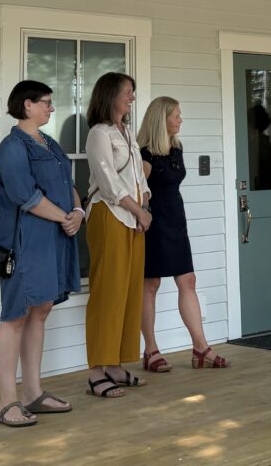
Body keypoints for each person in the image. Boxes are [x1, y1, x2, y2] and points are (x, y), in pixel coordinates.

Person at [0, 80, 82, 427]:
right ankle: (7, 402)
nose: (51, 108)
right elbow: (26, 196)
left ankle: (33, 393)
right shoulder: (13, 147)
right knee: (15, 315)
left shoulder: (49, 142)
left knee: (41, 309)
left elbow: (68, 185)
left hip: (53, 238)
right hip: (24, 241)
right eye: (45, 102)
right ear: (27, 105)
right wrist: (64, 217)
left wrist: (78, 212)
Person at [138, 96, 229, 370]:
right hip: (154, 223)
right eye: (175, 115)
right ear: (161, 119)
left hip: (176, 220)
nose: (180, 120)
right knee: (150, 284)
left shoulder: (176, 148)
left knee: (188, 280)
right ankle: (151, 350)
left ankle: (200, 347)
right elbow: (138, 191)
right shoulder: (144, 154)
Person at [84, 72, 152, 397]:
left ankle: (115, 364)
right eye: (127, 92)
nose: (132, 97)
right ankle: (96, 372)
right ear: (110, 95)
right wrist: (139, 211)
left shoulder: (125, 133)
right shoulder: (99, 134)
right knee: (107, 292)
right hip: (109, 215)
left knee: (129, 292)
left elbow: (139, 177)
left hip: (134, 218)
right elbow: (109, 183)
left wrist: (144, 207)